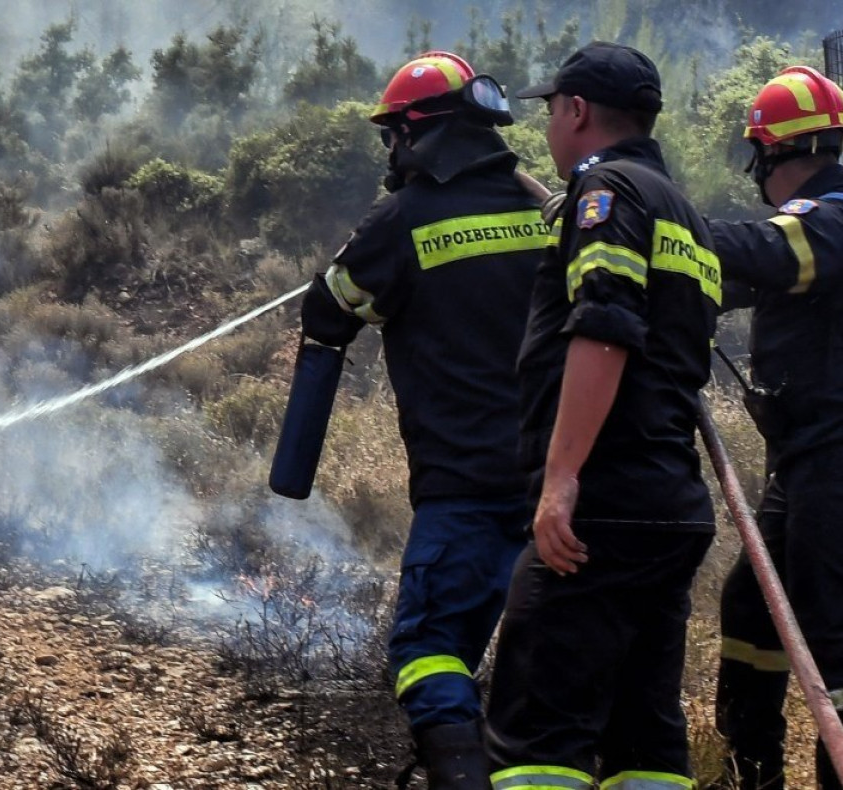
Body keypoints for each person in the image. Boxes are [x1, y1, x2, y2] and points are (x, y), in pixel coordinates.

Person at [289, 51, 544, 789]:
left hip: (464, 490)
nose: (389, 154)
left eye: (390, 138)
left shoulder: (403, 217)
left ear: (413, 134)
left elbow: (326, 312)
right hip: (556, 487)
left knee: (429, 649)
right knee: (547, 670)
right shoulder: (548, 212)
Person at [483, 42, 721, 790]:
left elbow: (605, 327)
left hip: (602, 508)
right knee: (644, 744)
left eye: (551, 111)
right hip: (668, 509)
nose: (548, 129)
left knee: (537, 743)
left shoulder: (607, 196)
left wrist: (561, 479)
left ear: (577, 110)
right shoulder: (682, 211)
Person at [708, 65, 843, 790]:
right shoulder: (827, 227)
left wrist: (654, 219)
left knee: (832, 624)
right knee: (750, 604)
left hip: (842, 455)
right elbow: (738, 277)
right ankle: (752, 768)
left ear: (774, 156)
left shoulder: (835, 222)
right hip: (808, 457)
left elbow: (766, 253)